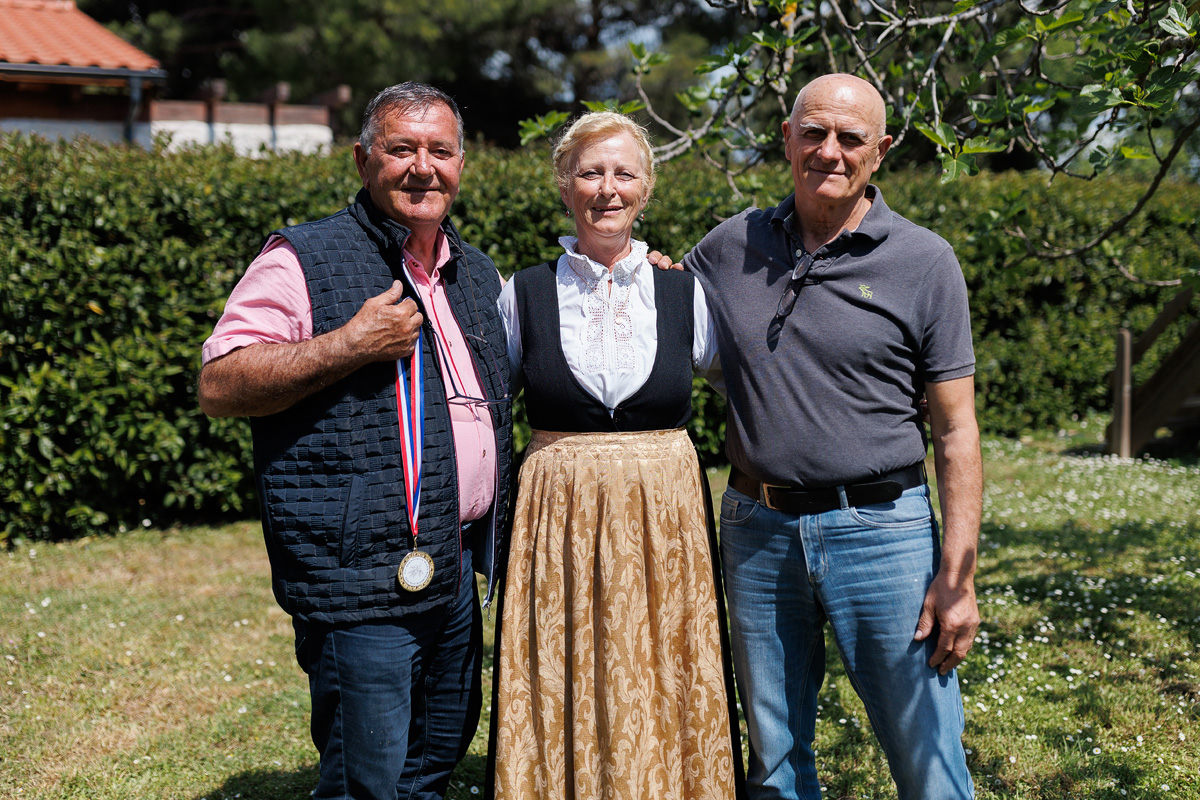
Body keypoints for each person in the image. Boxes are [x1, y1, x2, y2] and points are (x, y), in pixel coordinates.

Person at [198, 82, 513, 800]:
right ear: (362, 160)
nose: (422, 168)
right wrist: (346, 345)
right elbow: (220, 383)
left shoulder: (475, 273)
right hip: (360, 572)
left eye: (440, 150)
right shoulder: (303, 257)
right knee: (366, 778)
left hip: (455, 564)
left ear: (462, 163)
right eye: (401, 149)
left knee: (433, 761)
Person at [679, 74, 983, 799]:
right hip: (759, 530)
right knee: (775, 760)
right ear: (786, 139)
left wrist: (959, 578)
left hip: (884, 532)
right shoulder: (729, 247)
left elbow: (957, 429)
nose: (830, 151)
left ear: (879, 152)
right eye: (813, 132)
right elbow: (661, 309)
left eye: (851, 138)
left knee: (925, 755)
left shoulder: (924, 261)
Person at [490, 111, 744, 800]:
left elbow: (753, 381)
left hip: (665, 519)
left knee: (664, 659)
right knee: (565, 662)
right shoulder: (524, 293)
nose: (608, 188)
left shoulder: (685, 292)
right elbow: (483, 402)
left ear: (646, 187)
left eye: (624, 173)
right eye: (590, 172)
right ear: (564, 186)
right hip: (557, 515)